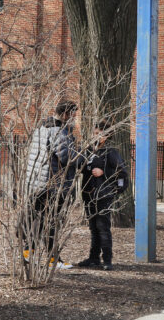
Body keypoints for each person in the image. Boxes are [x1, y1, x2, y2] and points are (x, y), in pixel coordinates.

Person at [23, 99, 77, 269]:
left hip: (37, 184)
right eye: (74, 115)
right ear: (66, 114)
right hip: (51, 185)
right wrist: (85, 157)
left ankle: (28, 254)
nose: (75, 119)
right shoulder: (58, 132)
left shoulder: (41, 129)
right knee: (50, 223)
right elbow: (67, 157)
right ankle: (53, 260)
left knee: (39, 223)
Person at [76, 121, 128, 271]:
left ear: (107, 135)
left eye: (99, 133)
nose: (96, 136)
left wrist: (104, 173)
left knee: (103, 227)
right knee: (93, 227)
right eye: (95, 133)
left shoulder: (111, 152)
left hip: (103, 195)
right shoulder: (90, 151)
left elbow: (122, 173)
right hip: (89, 194)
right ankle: (93, 258)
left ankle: (107, 259)